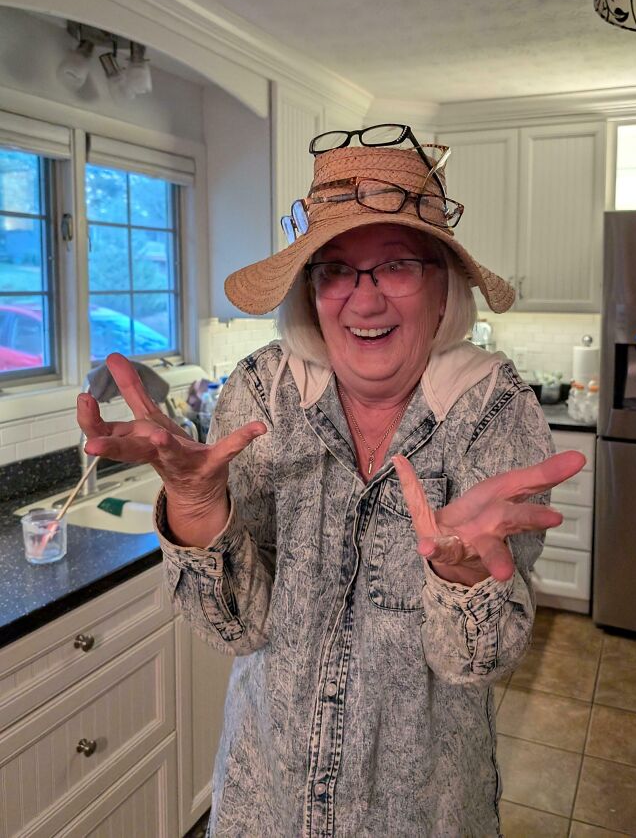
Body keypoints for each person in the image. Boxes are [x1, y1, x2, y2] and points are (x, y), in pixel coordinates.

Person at [77, 124, 585, 838]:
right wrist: (194, 507)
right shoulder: (263, 391)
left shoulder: (492, 407)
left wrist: (468, 581)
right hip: (265, 801)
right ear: (310, 293)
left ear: (444, 285)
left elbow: (476, 664)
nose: (364, 300)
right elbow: (234, 627)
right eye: (336, 270)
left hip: (423, 812)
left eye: (397, 265)